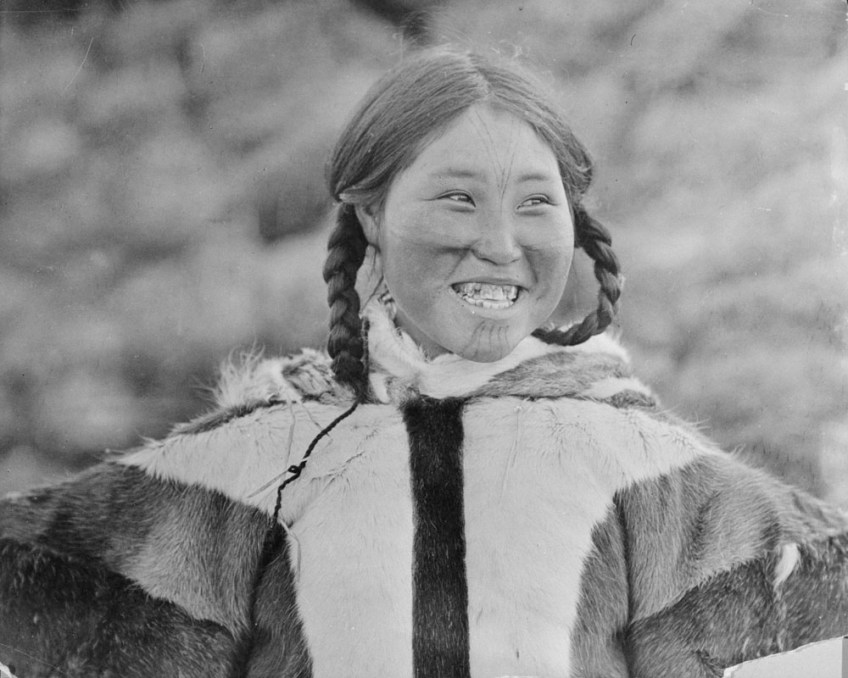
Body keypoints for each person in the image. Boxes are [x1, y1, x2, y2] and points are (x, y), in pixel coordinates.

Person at [1, 46, 847, 678]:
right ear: (370, 214)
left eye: (536, 204)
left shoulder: (648, 474)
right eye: (457, 196)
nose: (500, 244)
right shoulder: (245, 467)